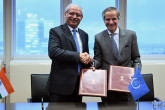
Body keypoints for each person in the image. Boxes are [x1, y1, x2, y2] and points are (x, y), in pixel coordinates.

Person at [93, 7, 142, 102]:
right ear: (104, 20)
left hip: (128, 83)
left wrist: (136, 73)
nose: (111, 22)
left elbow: (136, 59)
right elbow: (98, 59)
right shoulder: (98, 37)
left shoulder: (130, 35)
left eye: (114, 19)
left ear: (118, 19)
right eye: (108, 19)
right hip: (108, 85)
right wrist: (93, 65)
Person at [47, 3, 92, 102]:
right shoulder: (55, 31)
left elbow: (84, 57)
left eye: (78, 15)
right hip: (60, 87)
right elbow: (54, 52)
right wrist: (78, 55)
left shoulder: (84, 35)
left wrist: (89, 62)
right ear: (65, 14)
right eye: (72, 13)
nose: (74, 17)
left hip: (79, 86)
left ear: (82, 17)